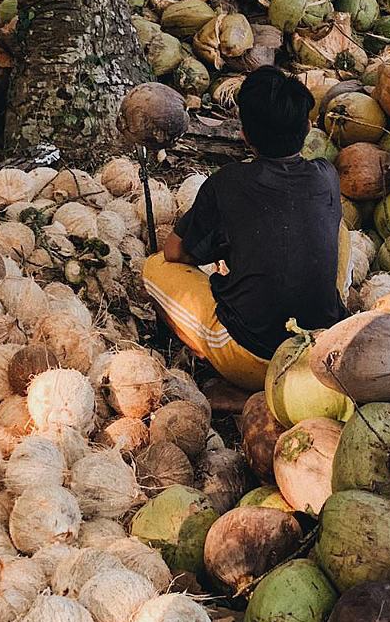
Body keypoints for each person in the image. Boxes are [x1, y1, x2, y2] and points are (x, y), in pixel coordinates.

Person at [141, 63, 349, 388]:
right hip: (320, 346)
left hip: (254, 356)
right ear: (308, 128)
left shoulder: (228, 183)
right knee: (339, 228)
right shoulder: (326, 176)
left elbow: (175, 252)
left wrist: (225, 245)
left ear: (244, 135)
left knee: (154, 268)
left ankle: (238, 382)